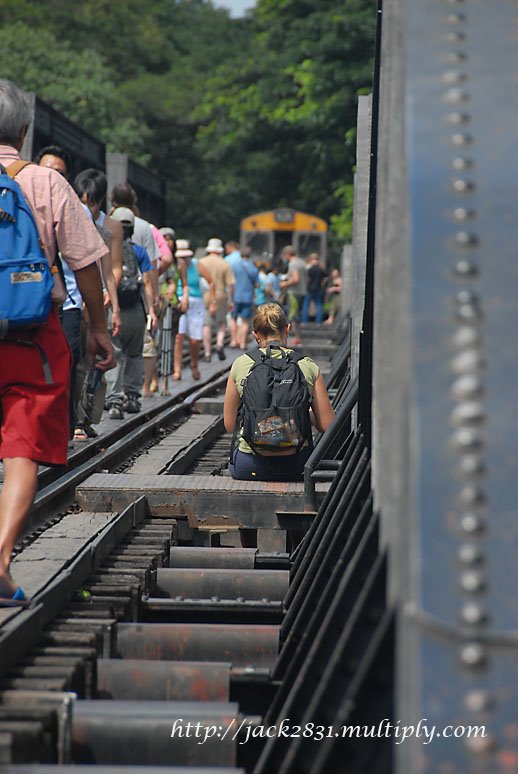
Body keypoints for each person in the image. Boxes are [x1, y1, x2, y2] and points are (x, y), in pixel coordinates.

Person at [0, 80, 114, 605]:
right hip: (31, 334)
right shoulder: (46, 182)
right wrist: (95, 326)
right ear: (24, 133)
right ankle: (0, 560)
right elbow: (85, 262)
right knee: (21, 452)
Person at [224, 303, 334, 481]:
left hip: (250, 465)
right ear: (287, 329)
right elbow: (327, 425)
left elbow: (230, 425)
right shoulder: (306, 365)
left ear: (255, 335)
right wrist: (305, 412)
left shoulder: (240, 364)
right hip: (297, 464)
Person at [104, 207, 158, 418]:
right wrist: (151, 310)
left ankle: (115, 401)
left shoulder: (107, 250)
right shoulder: (139, 251)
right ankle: (132, 397)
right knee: (134, 353)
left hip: (113, 309)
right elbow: (146, 281)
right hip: (135, 310)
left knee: (114, 353)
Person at [173, 239, 215, 380]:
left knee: (195, 339)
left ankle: (194, 363)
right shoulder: (174, 266)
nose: (183, 259)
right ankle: (177, 369)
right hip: (179, 301)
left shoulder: (197, 264)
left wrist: (212, 300)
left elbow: (211, 281)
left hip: (196, 301)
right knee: (179, 336)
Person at [199, 237, 235, 362]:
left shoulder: (201, 262)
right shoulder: (225, 263)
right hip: (220, 296)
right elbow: (231, 284)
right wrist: (231, 300)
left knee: (206, 324)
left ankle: (207, 352)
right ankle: (219, 344)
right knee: (221, 323)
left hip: (205, 295)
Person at [229, 245, 258, 351]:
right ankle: (242, 343)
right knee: (245, 321)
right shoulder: (253, 267)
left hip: (235, 296)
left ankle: (234, 340)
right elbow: (257, 284)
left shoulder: (233, 266)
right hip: (248, 297)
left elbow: (230, 282)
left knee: (233, 318)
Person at [279, 245, 307, 345]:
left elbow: (295, 279)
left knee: (292, 315)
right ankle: (297, 337)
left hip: (294, 293)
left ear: (287, 255)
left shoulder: (293, 264)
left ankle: (294, 338)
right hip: (302, 292)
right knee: (297, 314)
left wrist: (284, 284)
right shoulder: (302, 262)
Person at [302, 253, 327, 323]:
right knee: (319, 305)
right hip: (318, 289)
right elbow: (325, 279)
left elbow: (307, 278)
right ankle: (318, 321)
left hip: (309, 288)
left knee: (306, 305)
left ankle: (304, 321)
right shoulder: (321, 268)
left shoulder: (309, 268)